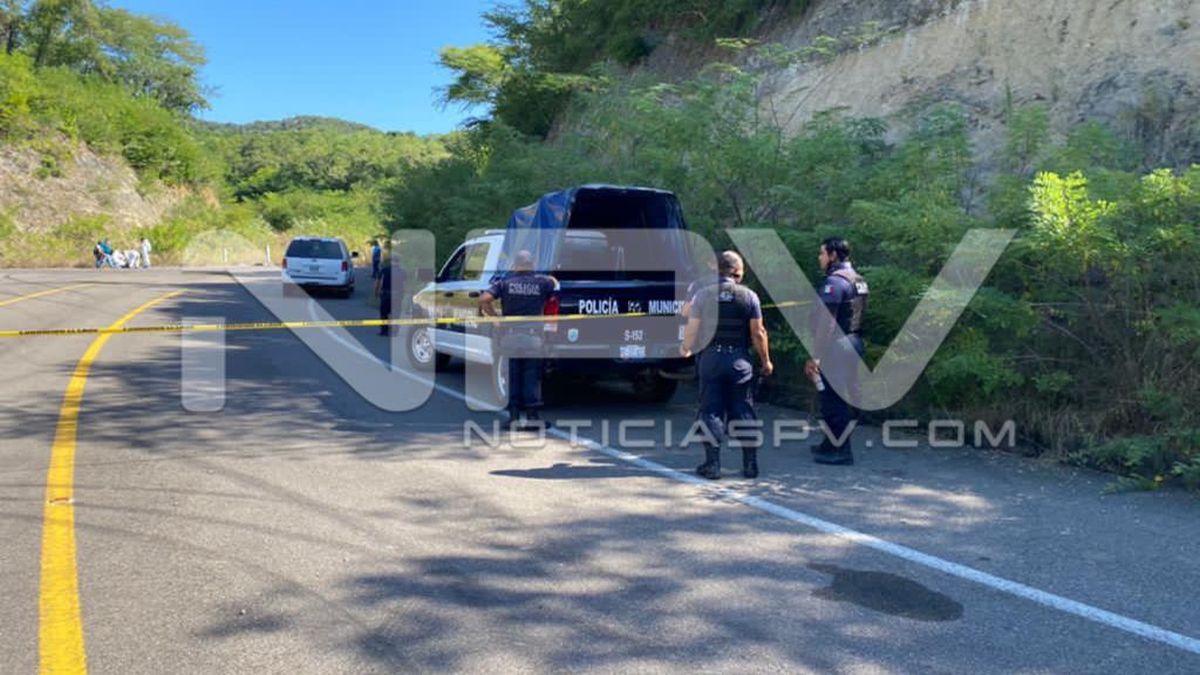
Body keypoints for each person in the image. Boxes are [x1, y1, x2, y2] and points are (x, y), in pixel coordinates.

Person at [681, 251, 773, 479]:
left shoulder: (703, 295)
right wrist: (766, 360)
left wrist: (686, 347)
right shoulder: (749, 296)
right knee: (743, 409)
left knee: (710, 410)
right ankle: (750, 465)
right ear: (737, 272)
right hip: (739, 361)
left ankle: (712, 465)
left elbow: (692, 327)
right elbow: (758, 332)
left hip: (711, 359)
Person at [805, 237, 869, 466]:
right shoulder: (858, 279)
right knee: (839, 395)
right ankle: (829, 443)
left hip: (837, 346)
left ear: (833, 255)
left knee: (833, 399)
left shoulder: (835, 282)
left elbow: (827, 322)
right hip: (854, 342)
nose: (819, 258)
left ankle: (841, 450)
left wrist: (816, 355)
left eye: (822, 253)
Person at [479, 250, 559, 430]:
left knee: (512, 377)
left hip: (510, 337)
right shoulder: (542, 283)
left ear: (515, 265)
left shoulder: (505, 283)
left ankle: (513, 418)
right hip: (532, 338)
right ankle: (533, 419)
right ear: (532, 264)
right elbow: (554, 283)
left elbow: (484, 299)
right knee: (532, 378)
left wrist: (496, 319)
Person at [374, 252, 407, 336]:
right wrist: (403, 295)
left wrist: (376, 292)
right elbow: (404, 285)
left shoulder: (384, 270)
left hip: (386, 294)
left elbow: (378, 282)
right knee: (396, 313)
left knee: (384, 313)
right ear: (398, 261)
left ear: (391, 261)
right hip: (397, 295)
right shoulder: (402, 272)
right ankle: (395, 331)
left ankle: (384, 331)